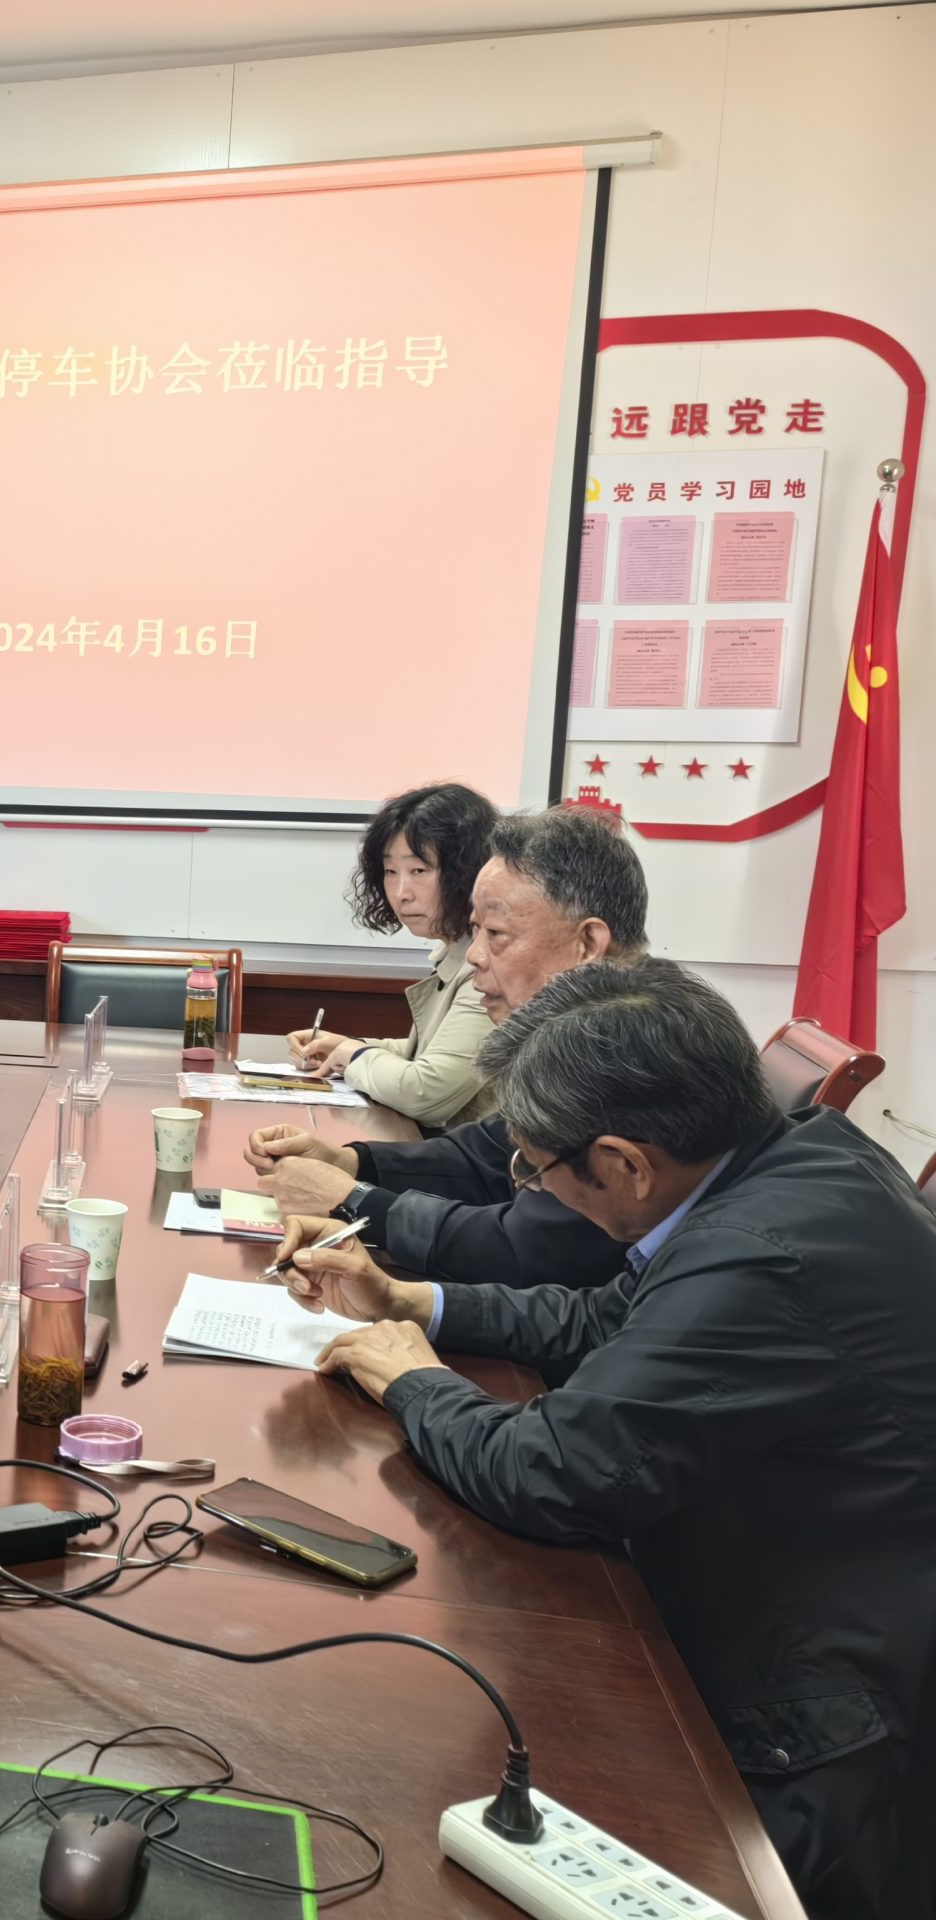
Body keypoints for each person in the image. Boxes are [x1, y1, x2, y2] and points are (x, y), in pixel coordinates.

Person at [288, 961, 936, 1914]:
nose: (530, 1183)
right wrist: (416, 1301)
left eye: (534, 1169)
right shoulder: (795, 1156)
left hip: (810, 1713)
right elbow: (609, 1318)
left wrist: (415, 1383)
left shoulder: (760, 1257)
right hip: (783, 1598)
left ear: (627, 1165)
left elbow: (554, 1473)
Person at [245, 807, 645, 1289]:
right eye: (475, 931)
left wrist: (354, 1200)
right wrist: (352, 1162)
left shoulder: (628, 1057)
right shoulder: (575, 1033)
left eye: (495, 934)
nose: (474, 955)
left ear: (588, 943)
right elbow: (489, 1154)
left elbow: (528, 1249)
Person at [287, 782, 498, 1128]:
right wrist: (348, 1046)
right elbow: (428, 1053)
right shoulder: (453, 951)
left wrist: (354, 1055)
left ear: (468, 872)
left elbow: (426, 1092)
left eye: (419, 871)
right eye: (390, 872)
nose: (401, 893)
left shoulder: (489, 966)